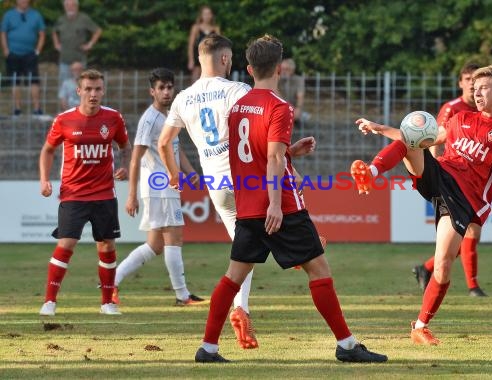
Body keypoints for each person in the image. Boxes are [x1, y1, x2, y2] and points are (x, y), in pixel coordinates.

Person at [191, 34, 388, 363]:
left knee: (233, 277)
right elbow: (272, 161)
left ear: (249, 69)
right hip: (280, 205)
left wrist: (291, 151)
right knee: (319, 269)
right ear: (280, 68)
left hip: (248, 206)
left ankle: (208, 347)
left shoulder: (238, 106)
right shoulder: (280, 107)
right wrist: (273, 203)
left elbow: (252, 155)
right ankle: (347, 345)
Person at [158, 34, 320, 350]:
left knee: (243, 250)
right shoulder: (238, 90)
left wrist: (178, 176)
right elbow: (260, 140)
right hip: (248, 179)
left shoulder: (182, 98)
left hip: (217, 186)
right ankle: (302, 250)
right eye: (229, 58)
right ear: (223, 59)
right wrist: (292, 163)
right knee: (285, 209)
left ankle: (241, 310)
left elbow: (164, 142)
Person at [350, 64, 492, 345]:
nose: (477, 94)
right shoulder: (460, 118)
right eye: (474, 89)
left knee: (442, 266)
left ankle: (420, 327)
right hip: (441, 174)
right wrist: (378, 127)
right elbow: (426, 139)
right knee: (411, 140)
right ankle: (371, 173)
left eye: (483, 89)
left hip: (464, 200)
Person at [38, 69, 132, 316]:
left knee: (107, 247)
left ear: (103, 90)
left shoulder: (113, 118)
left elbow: (125, 146)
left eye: (98, 89)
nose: (93, 94)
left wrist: (124, 166)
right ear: (78, 91)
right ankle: (49, 302)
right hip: (73, 194)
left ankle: (107, 303)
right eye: (88, 89)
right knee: (67, 243)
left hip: (104, 194)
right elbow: (48, 150)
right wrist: (44, 179)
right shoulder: (64, 120)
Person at [112, 68, 207, 307]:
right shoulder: (150, 119)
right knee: (174, 237)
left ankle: (110, 283)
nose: (166, 92)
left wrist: (191, 173)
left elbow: (176, 148)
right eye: (161, 88)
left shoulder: (170, 116)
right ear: (152, 91)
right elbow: (135, 158)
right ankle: (182, 295)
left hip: (167, 186)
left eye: (169, 87)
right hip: (159, 187)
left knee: (154, 245)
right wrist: (131, 195)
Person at [415, 62, 488, 297]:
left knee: (463, 237)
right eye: (467, 79)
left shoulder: (484, 109)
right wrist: (435, 173)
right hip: (452, 179)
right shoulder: (452, 108)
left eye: (475, 80)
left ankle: (425, 268)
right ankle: (473, 287)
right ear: (460, 83)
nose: (471, 84)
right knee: (471, 233)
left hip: (474, 179)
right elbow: (435, 138)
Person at [0, 0, 46, 116]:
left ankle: (37, 109)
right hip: (13, 54)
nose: (23, 1)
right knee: (15, 81)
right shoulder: (9, 15)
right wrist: (6, 50)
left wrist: (38, 51)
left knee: (34, 81)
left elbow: (42, 33)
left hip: (30, 54)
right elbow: (3, 32)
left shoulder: (36, 15)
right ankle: (17, 109)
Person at [52, 0, 102, 85]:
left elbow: (98, 31)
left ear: (77, 6)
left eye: (72, 5)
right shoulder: (61, 19)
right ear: (64, 7)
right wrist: (56, 44)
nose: (70, 7)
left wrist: (90, 44)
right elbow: (54, 31)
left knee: (81, 86)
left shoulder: (84, 18)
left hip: (79, 59)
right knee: (64, 87)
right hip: (64, 60)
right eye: (67, 5)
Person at [187, 5, 220, 84]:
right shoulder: (196, 28)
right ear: (201, 15)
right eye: (205, 14)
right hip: (198, 57)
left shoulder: (216, 28)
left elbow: (220, 45)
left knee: (209, 80)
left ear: (212, 15)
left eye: (209, 14)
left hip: (211, 58)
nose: (207, 16)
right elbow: (191, 45)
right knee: (196, 80)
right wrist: (191, 60)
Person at [278, 58, 306, 125]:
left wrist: (298, 109)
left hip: (293, 107)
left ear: (292, 71)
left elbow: (300, 96)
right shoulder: (276, 79)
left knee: (303, 118)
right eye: (282, 69)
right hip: (280, 108)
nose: (284, 72)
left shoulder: (298, 80)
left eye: (287, 69)